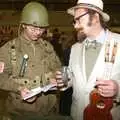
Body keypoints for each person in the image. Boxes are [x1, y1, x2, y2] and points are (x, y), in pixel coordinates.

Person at [0, 2, 72, 120]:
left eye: (41, 28)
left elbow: (58, 68)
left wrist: (58, 78)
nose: (38, 32)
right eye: (33, 28)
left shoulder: (47, 47)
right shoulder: (8, 49)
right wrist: (19, 89)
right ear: (23, 25)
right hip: (21, 112)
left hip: (50, 110)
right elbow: (1, 78)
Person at [55, 0, 120, 120]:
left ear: (95, 17)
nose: (75, 26)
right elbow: (74, 78)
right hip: (77, 115)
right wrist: (64, 80)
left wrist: (117, 88)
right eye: (74, 21)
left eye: (79, 19)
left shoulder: (118, 43)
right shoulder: (75, 48)